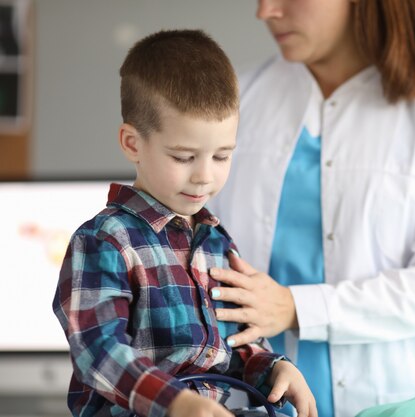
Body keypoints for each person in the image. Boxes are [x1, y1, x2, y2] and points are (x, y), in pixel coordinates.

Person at [208, 1, 415, 417]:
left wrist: (295, 307)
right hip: (252, 399)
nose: (266, 11)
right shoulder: (239, 97)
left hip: (400, 400)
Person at [51, 29, 316, 417]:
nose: (204, 177)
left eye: (222, 156)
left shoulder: (217, 242)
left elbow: (236, 344)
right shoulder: (105, 241)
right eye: (183, 157)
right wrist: (175, 402)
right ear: (132, 144)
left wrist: (275, 367)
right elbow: (98, 351)